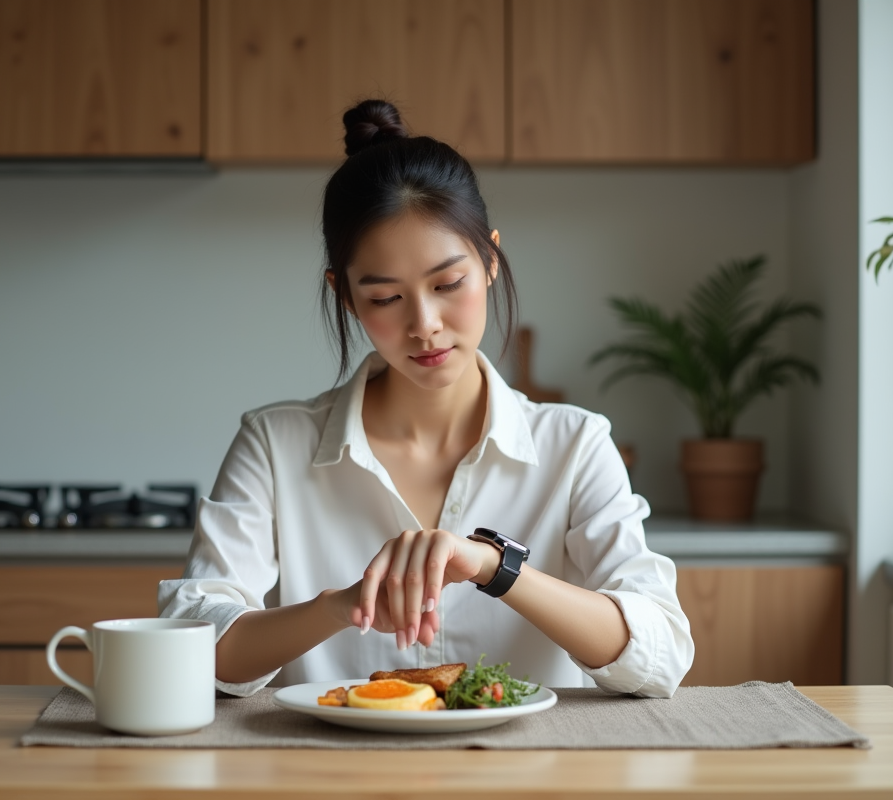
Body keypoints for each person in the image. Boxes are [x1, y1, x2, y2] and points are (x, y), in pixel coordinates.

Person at [158, 99, 693, 698]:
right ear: (344, 295)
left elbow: (659, 655)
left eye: (449, 283)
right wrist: (337, 607)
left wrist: (493, 568)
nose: (425, 324)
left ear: (490, 260)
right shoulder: (274, 445)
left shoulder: (575, 445)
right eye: (385, 298)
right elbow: (195, 643)